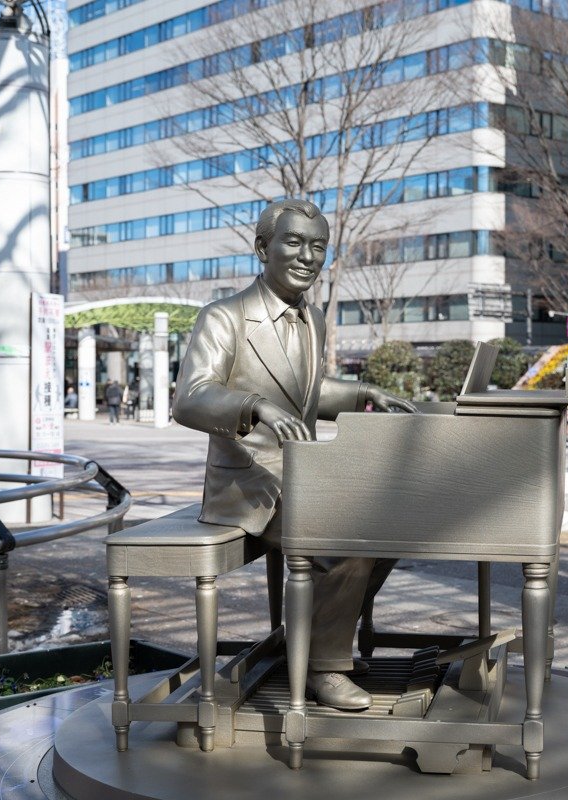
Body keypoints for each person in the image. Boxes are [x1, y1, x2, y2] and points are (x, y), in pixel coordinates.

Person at [172, 199, 415, 712]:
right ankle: (324, 668)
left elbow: (305, 391)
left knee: (392, 520)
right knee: (343, 535)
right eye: (294, 242)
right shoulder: (224, 317)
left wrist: (362, 393)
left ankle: (318, 632)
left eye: (318, 246)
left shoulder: (314, 318)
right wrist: (251, 406)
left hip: (301, 474)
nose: (308, 256)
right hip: (247, 482)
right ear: (263, 248)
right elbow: (190, 397)